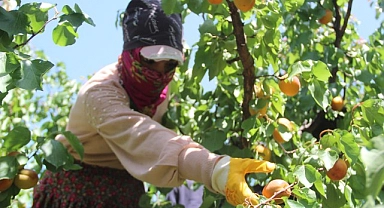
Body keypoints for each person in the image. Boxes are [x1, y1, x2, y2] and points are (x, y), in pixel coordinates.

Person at [32, 0, 276, 207]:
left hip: (127, 191)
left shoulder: (160, 93)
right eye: (150, 62)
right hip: (77, 191)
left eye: (170, 65)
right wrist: (214, 168)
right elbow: (144, 137)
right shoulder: (100, 94)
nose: (159, 74)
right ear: (131, 54)